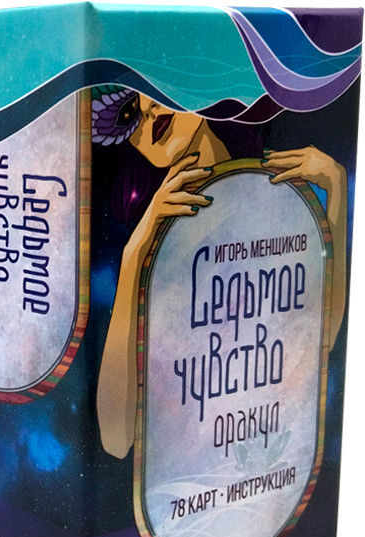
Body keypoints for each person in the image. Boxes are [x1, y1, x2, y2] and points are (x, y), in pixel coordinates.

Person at [93, 87, 349, 459]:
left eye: (157, 85)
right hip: (188, 473)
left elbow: (317, 343)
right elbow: (116, 440)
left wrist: (336, 186)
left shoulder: (274, 198)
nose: (148, 108)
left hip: (261, 453)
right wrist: (134, 256)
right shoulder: (153, 244)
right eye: (129, 112)